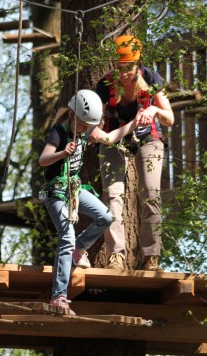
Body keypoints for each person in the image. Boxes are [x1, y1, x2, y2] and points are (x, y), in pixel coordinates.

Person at [38, 89, 138, 316]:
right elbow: (43, 160)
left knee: (105, 216)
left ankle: (78, 250)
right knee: (66, 236)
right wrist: (63, 153)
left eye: (87, 126)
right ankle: (58, 297)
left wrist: (134, 123)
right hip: (56, 192)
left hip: (73, 189)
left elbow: (111, 138)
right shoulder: (58, 132)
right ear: (72, 115)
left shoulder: (87, 129)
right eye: (83, 124)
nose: (85, 130)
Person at [96, 35, 174, 271]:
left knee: (151, 193)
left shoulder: (150, 78)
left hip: (148, 137)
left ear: (137, 64)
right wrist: (96, 133)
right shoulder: (105, 85)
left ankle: (151, 258)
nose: (123, 73)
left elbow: (170, 118)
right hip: (114, 138)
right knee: (112, 195)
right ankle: (116, 256)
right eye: (119, 68)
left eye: (128, 68)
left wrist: (152, 109)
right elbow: (96, 122)